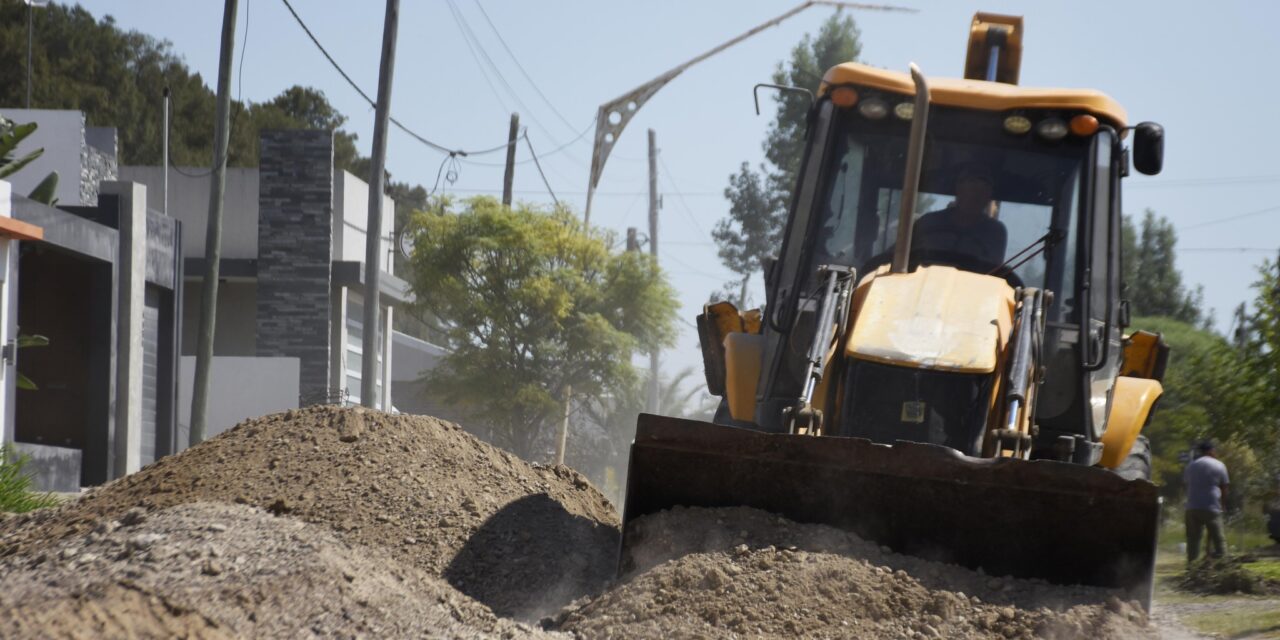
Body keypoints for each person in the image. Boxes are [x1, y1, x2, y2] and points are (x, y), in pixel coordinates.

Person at [912, 163, 1008, 268]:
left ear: (988, 197)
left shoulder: (994, 232)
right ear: (958, 189)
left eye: (982, 191)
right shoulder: (928, 223)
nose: (975, 195)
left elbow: (993, 274)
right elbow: (903, 258)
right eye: (972, 187)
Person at [1184, 439, 1230, 562]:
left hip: (1192, 507)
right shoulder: (1219, 465)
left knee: (1193, 540)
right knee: (1219, 541)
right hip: (1211, 507)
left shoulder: (1191, 466)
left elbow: (1187, 484)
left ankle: (1191, 569)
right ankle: (1223, 566)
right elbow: (1224, 488)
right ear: (1211, 451)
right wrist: (1223, 505)